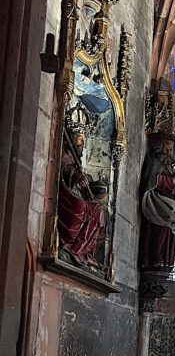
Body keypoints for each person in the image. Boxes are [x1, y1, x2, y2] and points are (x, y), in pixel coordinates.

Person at [57, 103, 109, 267]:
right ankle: (69, 247)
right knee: (80, 206)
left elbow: (80, 173)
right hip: (64, 192)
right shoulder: (65, 152)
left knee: (98, 211)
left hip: (75, 191)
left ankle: (84, 250)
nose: (81, 145)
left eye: (83, 141)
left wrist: (93, 182)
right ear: (72, 139)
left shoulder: (77, 158)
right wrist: (76, 176)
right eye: (79, 140)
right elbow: (63, 168)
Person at [139, 138, 175, 273]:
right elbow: (152, 181)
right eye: (166, 148)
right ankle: (154, 259)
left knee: (170, 231)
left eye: (171, 149)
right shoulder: (156, 162)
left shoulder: (170, 167)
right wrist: (171, 182)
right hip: (156, 204)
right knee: (161, 229)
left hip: (170, 204)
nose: (168, 152)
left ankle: (165, 261)